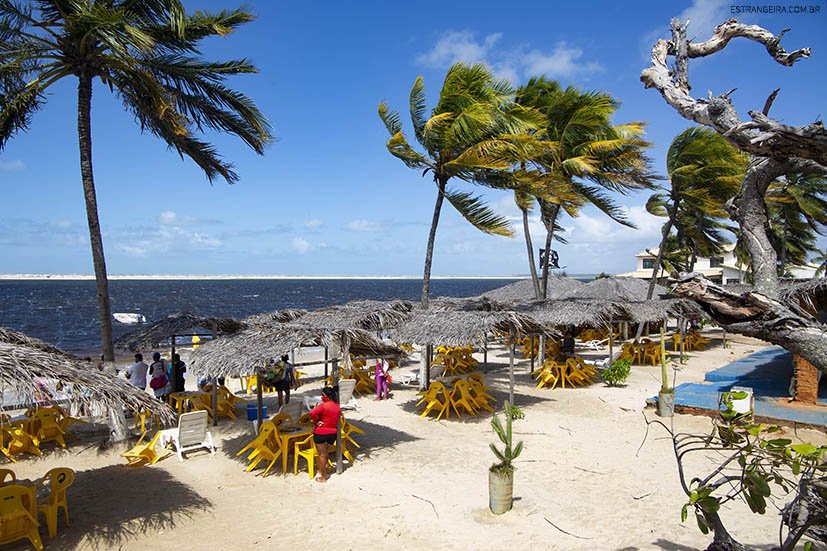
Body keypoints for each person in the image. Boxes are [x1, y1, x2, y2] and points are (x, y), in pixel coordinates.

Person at [308, 387, 340, 483]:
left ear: (327, 396)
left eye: (323, 395)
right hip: (332, 433)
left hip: (321, 433)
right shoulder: (337, 406)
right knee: (326, 454)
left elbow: (311, 413)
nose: (322, 397)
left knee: (322, 455)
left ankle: (323, 476)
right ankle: (323, 470)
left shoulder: (323, 406)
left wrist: (316, 421)